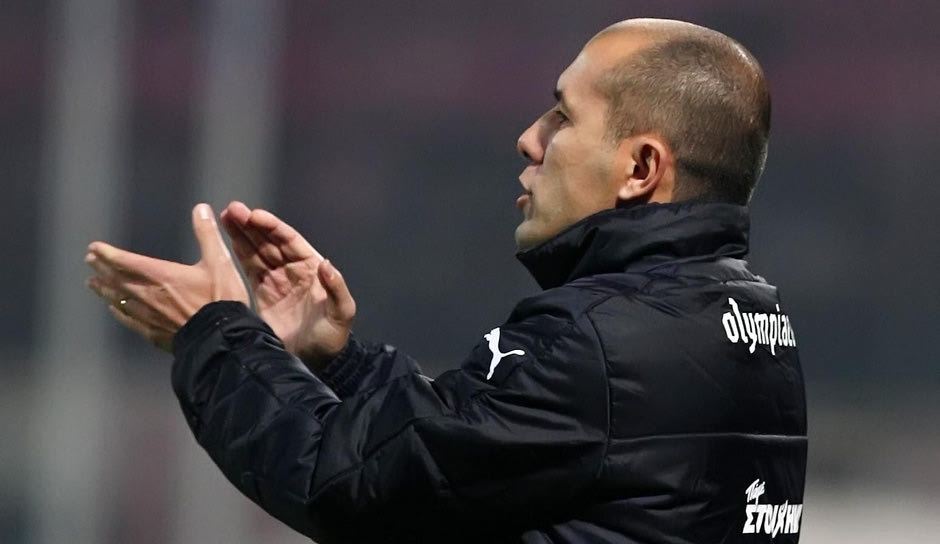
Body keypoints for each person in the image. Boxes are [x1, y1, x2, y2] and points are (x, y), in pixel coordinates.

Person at [85, 18, 806, 543]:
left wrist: (215, 334)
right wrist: (342, 363)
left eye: (563, 115)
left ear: (640, 168)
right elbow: (471, 451)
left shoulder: (600, 341)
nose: (530, 138)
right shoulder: (750, 320)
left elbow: (349, 487)